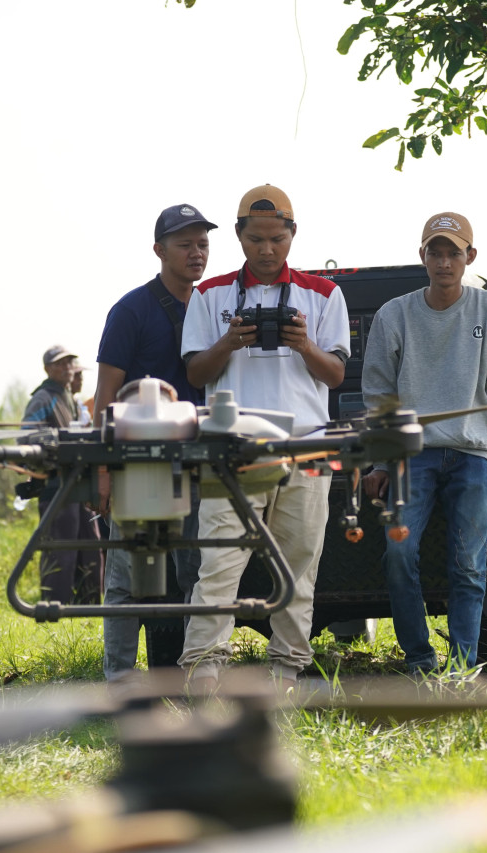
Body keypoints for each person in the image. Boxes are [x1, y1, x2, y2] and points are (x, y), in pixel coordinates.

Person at [178, 184, 350, 691]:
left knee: (299, 563)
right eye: (256, 238)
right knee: (219, 561)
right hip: (232, 448)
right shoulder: (210, 295)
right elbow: (194, 373)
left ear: (293, 234)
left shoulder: (323, 293)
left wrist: (304, 345)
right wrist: (230, 340)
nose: (267, 249)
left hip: (307, 445)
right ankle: (204, 670)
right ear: (239, 236)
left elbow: (335, 374)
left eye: (277, 238)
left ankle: (288, 669)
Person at [361, 212, 487, 675]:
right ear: (422, 256)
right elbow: (378, 393)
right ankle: (419, 659)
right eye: (436, 251)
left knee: (468, 564)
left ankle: (464, 667)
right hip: (411, 456)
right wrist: (380, 464)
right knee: (398, 553)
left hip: (472, 455)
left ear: (470, 257)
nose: (445, 261)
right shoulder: (395, 314)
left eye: (454, 252)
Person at [92, 202, 215, 685]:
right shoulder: (131, 310)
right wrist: (102, 469)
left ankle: (191, 677)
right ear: (159, 250)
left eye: (203, 243)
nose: (196, 253)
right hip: (136, 462)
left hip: (195, 460)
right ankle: (120, 681)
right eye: (185, 244)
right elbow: (105, 395)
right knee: (124, 579)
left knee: (195, 572)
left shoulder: (211, 307)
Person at [22, 346, 103, 604]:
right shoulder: (43, 398)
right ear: (48, 369)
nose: (68, 367)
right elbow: (26, 437)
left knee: (90, 547)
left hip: (81, 486)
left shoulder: (73, 400)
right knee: (60, 549)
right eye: (61, 363)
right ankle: (53, 607)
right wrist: (56, 445)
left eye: (70, 361)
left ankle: (88, 608)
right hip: (56, 486)